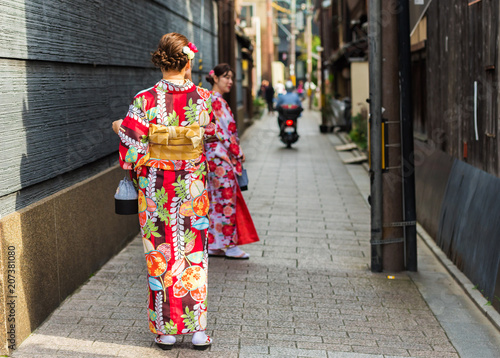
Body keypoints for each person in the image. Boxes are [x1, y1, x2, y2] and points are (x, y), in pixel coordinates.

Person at [112, 33, 212, 351]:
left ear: (163, 60)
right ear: (187, 62)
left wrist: (121, 128)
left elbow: (131, 148)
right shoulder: (204, 98)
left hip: (156, 189)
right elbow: (211, 133)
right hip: (192, 187)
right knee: (194, 254)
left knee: (160, 255)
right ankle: (198, 331)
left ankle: (166, 331)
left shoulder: (144, 99)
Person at [204, 63, 259, 259]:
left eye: (231, 78)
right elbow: (222, 132)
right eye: (226, 77)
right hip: (221, 157)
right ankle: (229, 245)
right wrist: (237, 150)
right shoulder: (216, 102)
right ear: (215, 78)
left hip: (213, 157)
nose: (229, 81)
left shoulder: (210, 100)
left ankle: (215, 244)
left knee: (216, 201)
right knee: (227, 200)